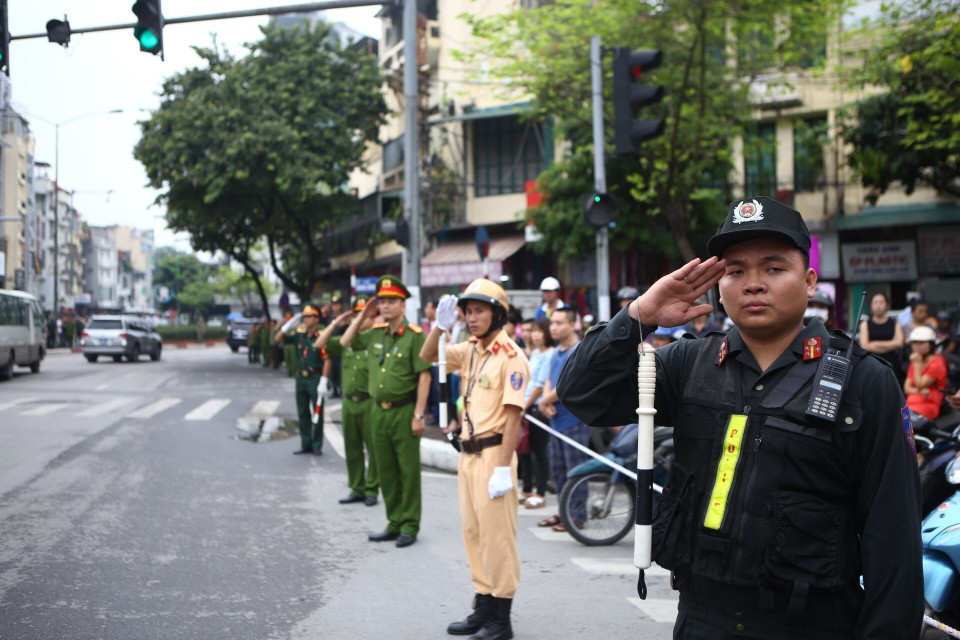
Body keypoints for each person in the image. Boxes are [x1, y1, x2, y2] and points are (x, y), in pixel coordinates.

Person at [557, 196, 922, 639]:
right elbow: (581, 394)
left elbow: (894, 539)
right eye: (735, 271)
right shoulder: (688, 363)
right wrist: (640, 316)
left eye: (773, 268)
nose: (753, 284)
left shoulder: (863, 381)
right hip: (702, 619)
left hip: (809, 624)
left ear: (808, 282)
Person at [420, 279, 530, 640]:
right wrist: (440, 327)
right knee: (473, 533)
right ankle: (483, 606)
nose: (471, 317)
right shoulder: (469, 349)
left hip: (494, 456)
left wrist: (502, 467)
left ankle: (502, 618)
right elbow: (427, 356)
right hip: (468, 456)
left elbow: (513, 416)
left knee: (498, 538)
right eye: (468, 311)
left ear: (498, 313)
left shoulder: (511, 356)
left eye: (479, 310)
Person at [340, 275, 431, 548]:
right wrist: (363, 316)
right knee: (386, 470)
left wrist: (418, 415)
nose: (386, 306)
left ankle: (410, 524)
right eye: (382, 301)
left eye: (392, 301)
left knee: (408, 470)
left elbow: (424, 377)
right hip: (377, 411)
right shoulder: (375, 333)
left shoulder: (416, 336)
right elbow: (345, 341)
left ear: (403, 305)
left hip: (403, 411)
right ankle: (394, 522)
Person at [315, 296, 379, 507]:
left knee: (373, 448)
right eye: (356, 315)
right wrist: (335, 322)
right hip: (349, 402)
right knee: (352, 447)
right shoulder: (346, 341)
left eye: (365, 315)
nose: (360, 320)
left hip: (369, 401)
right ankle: (357, 488)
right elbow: (319, 343)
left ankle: (371, 488)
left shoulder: (374, 338)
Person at [535, 308, 589, 532]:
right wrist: (546, 403)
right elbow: (550, 379)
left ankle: (577, 517)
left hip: (573, 420)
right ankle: (563, 512)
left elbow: (567, 384)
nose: (553, 327)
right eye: (552, 323)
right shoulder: (556, 351)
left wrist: (542, 402)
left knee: (576, 470)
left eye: (559, 323)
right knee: (557, 470)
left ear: (572, 325)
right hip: (555, 420)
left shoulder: (578, 350)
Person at [275, 307, 331, 456]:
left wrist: (324, 380)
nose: (307, 320)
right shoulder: (299, 336)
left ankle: (317, 444)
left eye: (310, 317)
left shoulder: (321, 336)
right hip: (300, 378)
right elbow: (278, 338)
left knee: (317, 413)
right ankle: (305, 443)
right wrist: (288, 325)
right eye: (305, 317)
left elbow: (327, 359)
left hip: (315, 377)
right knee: (302, 412)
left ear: (317, 319)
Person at [520, 317, 554, 509]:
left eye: (540, 331)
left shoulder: (550, 354)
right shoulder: (534, 354)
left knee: (539, 452)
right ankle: (526, 488)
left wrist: (524, 406)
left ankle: (541, 493)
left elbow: (540, 386)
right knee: (524, 449)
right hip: (525, 407)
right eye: (533, 330)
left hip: (535, 409)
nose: (535, 334)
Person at [904, 325, 949, 427]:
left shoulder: (936, 363)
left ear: (931, 344)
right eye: (914, 343)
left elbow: (920, 384)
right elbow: (907, 388)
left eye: (922, 343)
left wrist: (917, 364)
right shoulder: (916, 361)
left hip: (928, 407)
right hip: (911, 405)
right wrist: (920, 391)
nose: (917, 346)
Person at [859, 292, 905, 379]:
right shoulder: (865, 324)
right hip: (872, 363)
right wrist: (891, 344)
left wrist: (874, 345)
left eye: (881, 302)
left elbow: (899, 343)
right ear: (871, 305)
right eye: (875, 302)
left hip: (892, 364)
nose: (878, 306)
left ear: (887, 305)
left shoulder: (895, 323)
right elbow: (865, 345)